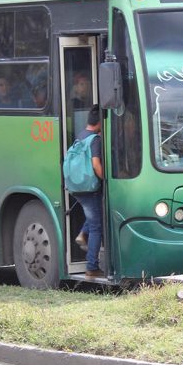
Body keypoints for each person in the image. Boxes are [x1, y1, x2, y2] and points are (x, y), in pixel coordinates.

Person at [73, 105, 104, 278]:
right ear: (100, 122)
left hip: (78, 187)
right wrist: (106, 179)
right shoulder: (95, 140)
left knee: (93, 217)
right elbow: (95, 164)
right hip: (90, 187)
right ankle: (92, 267)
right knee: (96, 227)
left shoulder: (80, 136)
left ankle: (83, 233)